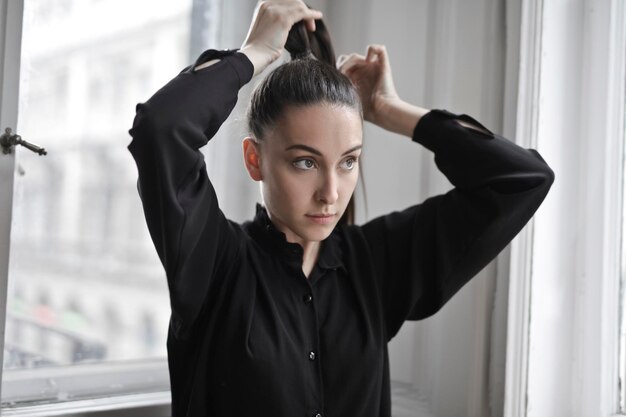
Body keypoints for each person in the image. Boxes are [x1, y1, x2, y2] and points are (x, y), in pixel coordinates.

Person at [127, 1, 554, 416]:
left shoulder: (375, 266)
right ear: (255, 159)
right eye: (305, 162)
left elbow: (521, 180)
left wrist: (390, 110)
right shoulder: (215, 264)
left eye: (348, 161)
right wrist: (253, 54)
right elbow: (160, 129)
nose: (331, 192)